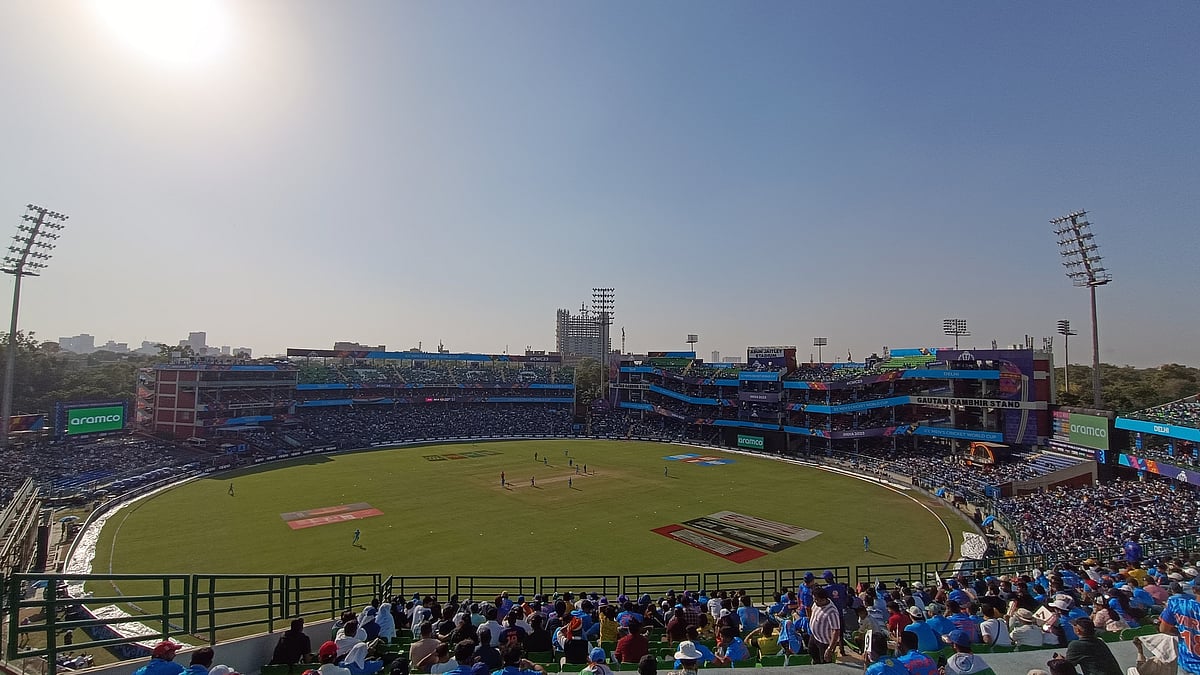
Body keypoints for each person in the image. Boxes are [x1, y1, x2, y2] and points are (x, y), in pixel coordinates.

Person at [1159, 578, 1200, 675]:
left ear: (1194, 589)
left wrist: (1181, 632)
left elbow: (1163, 629)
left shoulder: (1177, 604)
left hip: (1186, 662)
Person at [1057, 617, 1121, 675]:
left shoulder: (1076, 645)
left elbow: (1067, 666)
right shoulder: (1099, 642)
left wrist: (1060, 661)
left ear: (1077, 631)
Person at [808, 586, 842, 664]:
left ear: (823, 599)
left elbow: (836, 631)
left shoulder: (831, 612)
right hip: (815, 637)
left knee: (825, 661)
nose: (815, 601)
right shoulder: (816, 603)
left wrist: (830, 649)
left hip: (825, 642)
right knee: (811, 651)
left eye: (817, 600)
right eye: (814, 599)